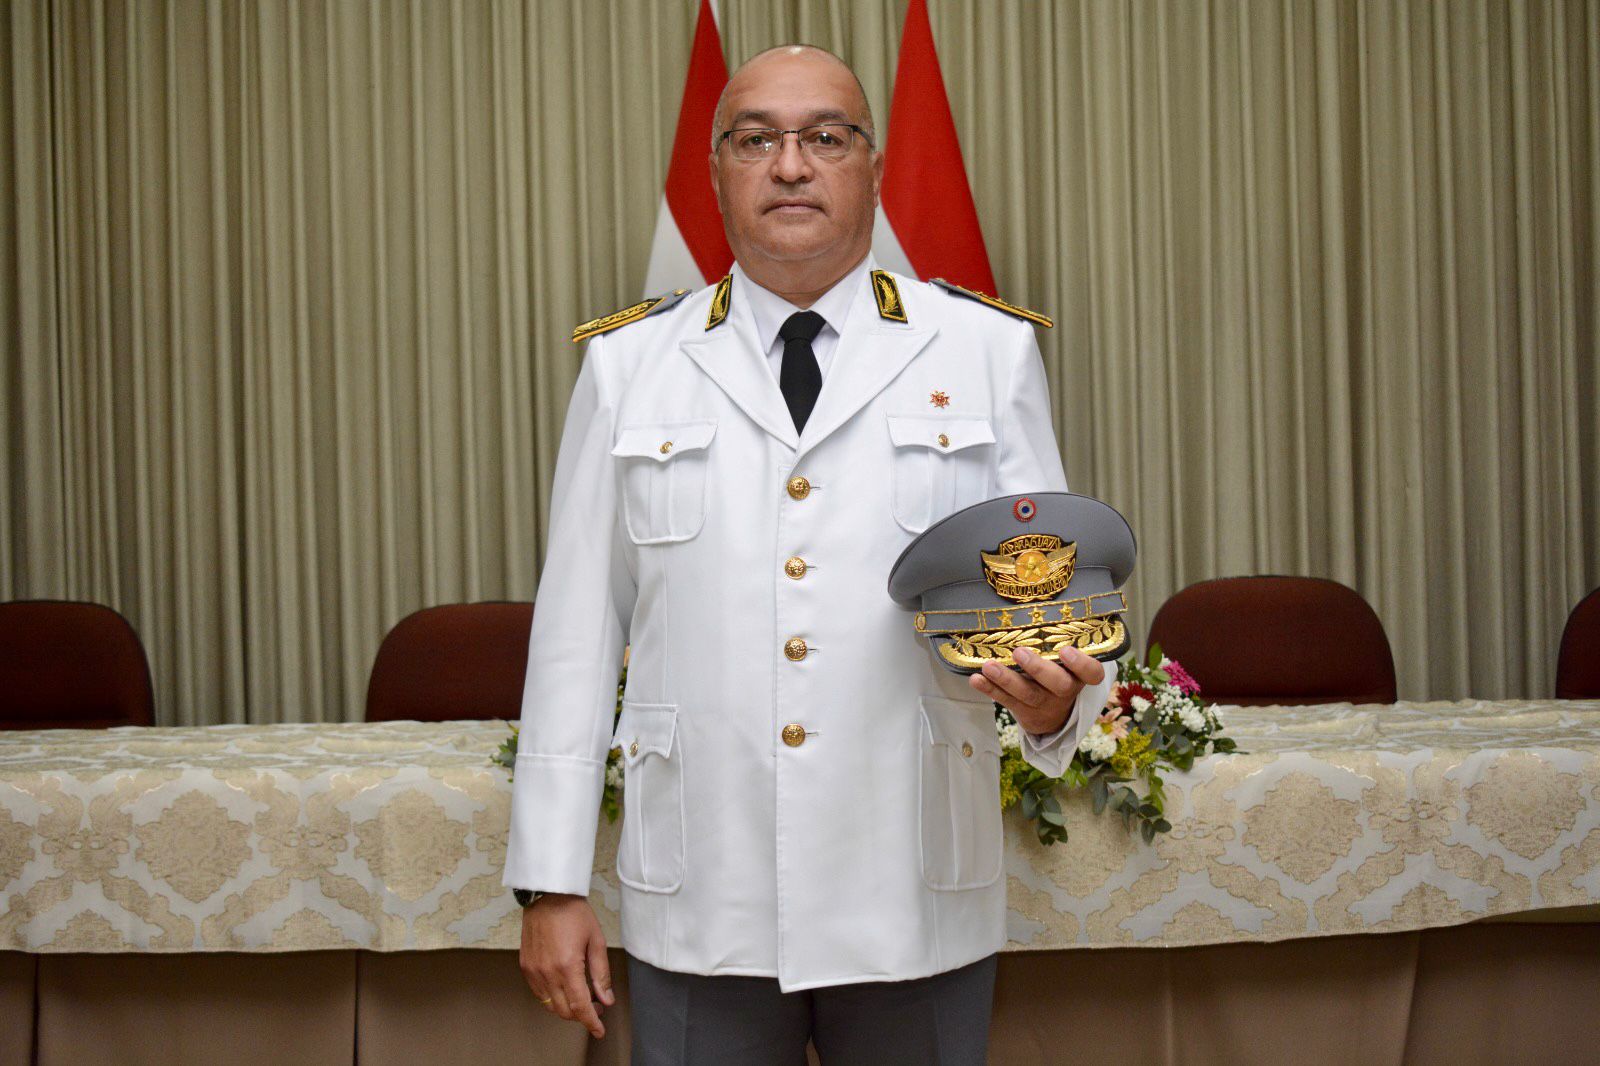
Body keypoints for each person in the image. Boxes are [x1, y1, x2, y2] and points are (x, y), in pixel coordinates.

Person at [502, 43, 1114, 1065]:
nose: (791, 165)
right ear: (718, 171)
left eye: (825, 138)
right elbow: (574, 636)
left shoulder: (982, 351)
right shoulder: (629, 367)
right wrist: (550, 881)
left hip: (912, 888)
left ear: (870, 165)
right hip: (703, 892)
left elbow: (1043, 601)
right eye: (757, 139)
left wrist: (1056, 707)